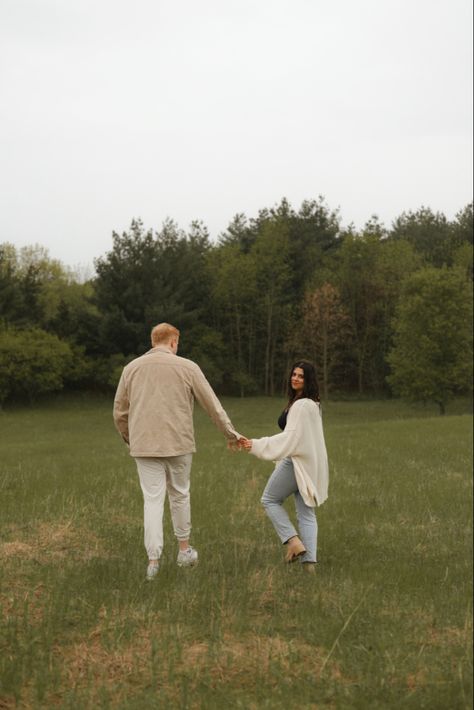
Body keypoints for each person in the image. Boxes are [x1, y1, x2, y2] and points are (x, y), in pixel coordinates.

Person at [113, 322, 242, 580]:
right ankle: (184, 550)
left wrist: (131, 439)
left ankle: (153, 561)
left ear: (153, 342)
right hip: (179, 444)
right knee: (180, 495)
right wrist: (231, 434)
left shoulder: (131, 368)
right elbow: (212, 406)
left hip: (144, 445)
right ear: (173, 342)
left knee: (152, 501)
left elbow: (119, 412)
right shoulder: (188, 367)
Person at [240, 361, 328, 572]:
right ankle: (310, 568)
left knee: (269, 500)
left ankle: (293, 541)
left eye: (301, 376)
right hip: (308, 463)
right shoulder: (311, 403)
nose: (295, 378)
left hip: (296, 461)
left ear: (308, 380)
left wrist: (256, 444)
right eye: (294, 374)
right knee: (306, 514)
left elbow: (291, 438)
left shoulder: (302, 405)